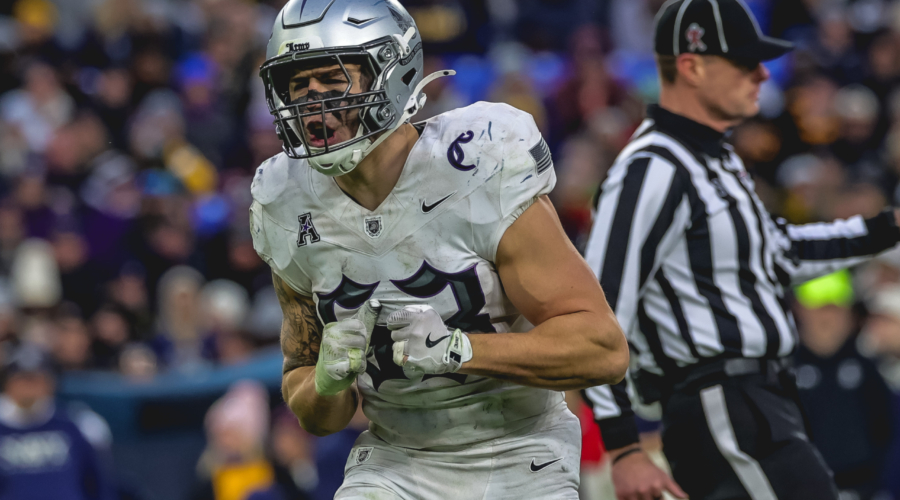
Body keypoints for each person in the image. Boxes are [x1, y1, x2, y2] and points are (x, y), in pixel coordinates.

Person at [249, 1, 629, 499]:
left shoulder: (478, 162)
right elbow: (311, 405)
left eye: (333, 77)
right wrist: (325, 383)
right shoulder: (284, 199)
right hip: (393, 459)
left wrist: (462, 349)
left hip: (517, 449)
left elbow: (603, 349)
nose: (312, 103)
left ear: (394, 74)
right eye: (298, 84)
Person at [583, 1, 900, 499]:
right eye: (745, 62)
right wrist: (622, 447)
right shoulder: (654, 167)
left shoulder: (716, 160)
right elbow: (597, 308)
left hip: (757, 401)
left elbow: (778, 252)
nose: (762, 74)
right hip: (719, 401)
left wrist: (888, 228)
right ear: (692, 66)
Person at [793, 272, 893, 500]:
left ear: (850, 312)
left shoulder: (871, 366)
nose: (828, 316)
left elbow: (886, 429)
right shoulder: (783, 371)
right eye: (819, 307)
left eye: (836, 307)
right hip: (803, 489)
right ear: (799, 309)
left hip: (867, 486)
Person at [0, 344, 115, 500]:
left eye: (36, 381)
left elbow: (97, 484)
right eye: (22, 380)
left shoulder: (77, 425)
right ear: (8, 385)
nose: (29, 389)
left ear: (50, 384)